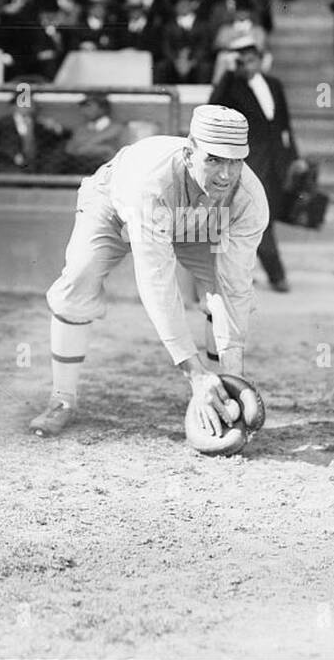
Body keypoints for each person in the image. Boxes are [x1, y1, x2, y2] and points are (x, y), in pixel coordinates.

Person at [29, 105, 269, 437]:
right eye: (214, 159)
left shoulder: (248, 199)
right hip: (115, 206)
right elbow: (157, 281)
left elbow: (235, 287)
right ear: (189, 154)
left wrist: (235, 378)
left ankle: (221, 391)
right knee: (80, 278)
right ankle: (62, 400)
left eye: (235, 161)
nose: (226, 175)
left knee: (220, 286)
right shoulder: (150, 182)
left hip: (201, 220)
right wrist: (195, 374)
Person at [207, 36, 298, 292]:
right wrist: (227, 75)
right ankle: (277, 275)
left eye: (252, 60)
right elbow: (212, 105)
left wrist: (294, 159)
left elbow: (284, 126)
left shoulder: (274, 84)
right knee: (258, 218)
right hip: (247, 164)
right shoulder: (232, 87)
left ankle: (240, 272)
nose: (248, 66)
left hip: (277, 163)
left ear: (260, 59)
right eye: (243, 62)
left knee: (253, 219)